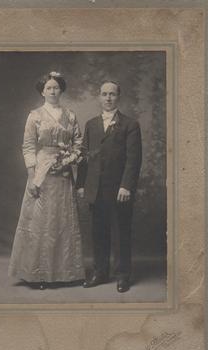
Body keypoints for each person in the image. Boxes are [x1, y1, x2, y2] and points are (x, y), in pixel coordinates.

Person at [8, 72, 85, 289]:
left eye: (56, 88)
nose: (52, 91)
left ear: (61, 90)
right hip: (42, 172)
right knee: (41, 222)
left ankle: (65, 273)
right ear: (42, 91)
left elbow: (78, 143)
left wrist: (70, 158)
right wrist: (33, 175)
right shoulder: (35, 116)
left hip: (63, 174)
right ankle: (39, 274)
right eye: (48, 88)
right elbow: (29, 146)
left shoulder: (70, 115)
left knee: (62, 220)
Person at [76, 80, 142, 293]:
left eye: (112, 94)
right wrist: (81, 184)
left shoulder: (130, 124)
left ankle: (123, 275)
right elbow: (84, 158)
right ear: (99, 97)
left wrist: (126, 186)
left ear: (118, 97)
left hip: (119, 189)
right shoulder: (91, 124)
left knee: (121, 232)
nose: (108, 98)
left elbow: (134, 160)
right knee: (98, 232)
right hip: (95, 188)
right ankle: (100, 272)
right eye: (104, 94)